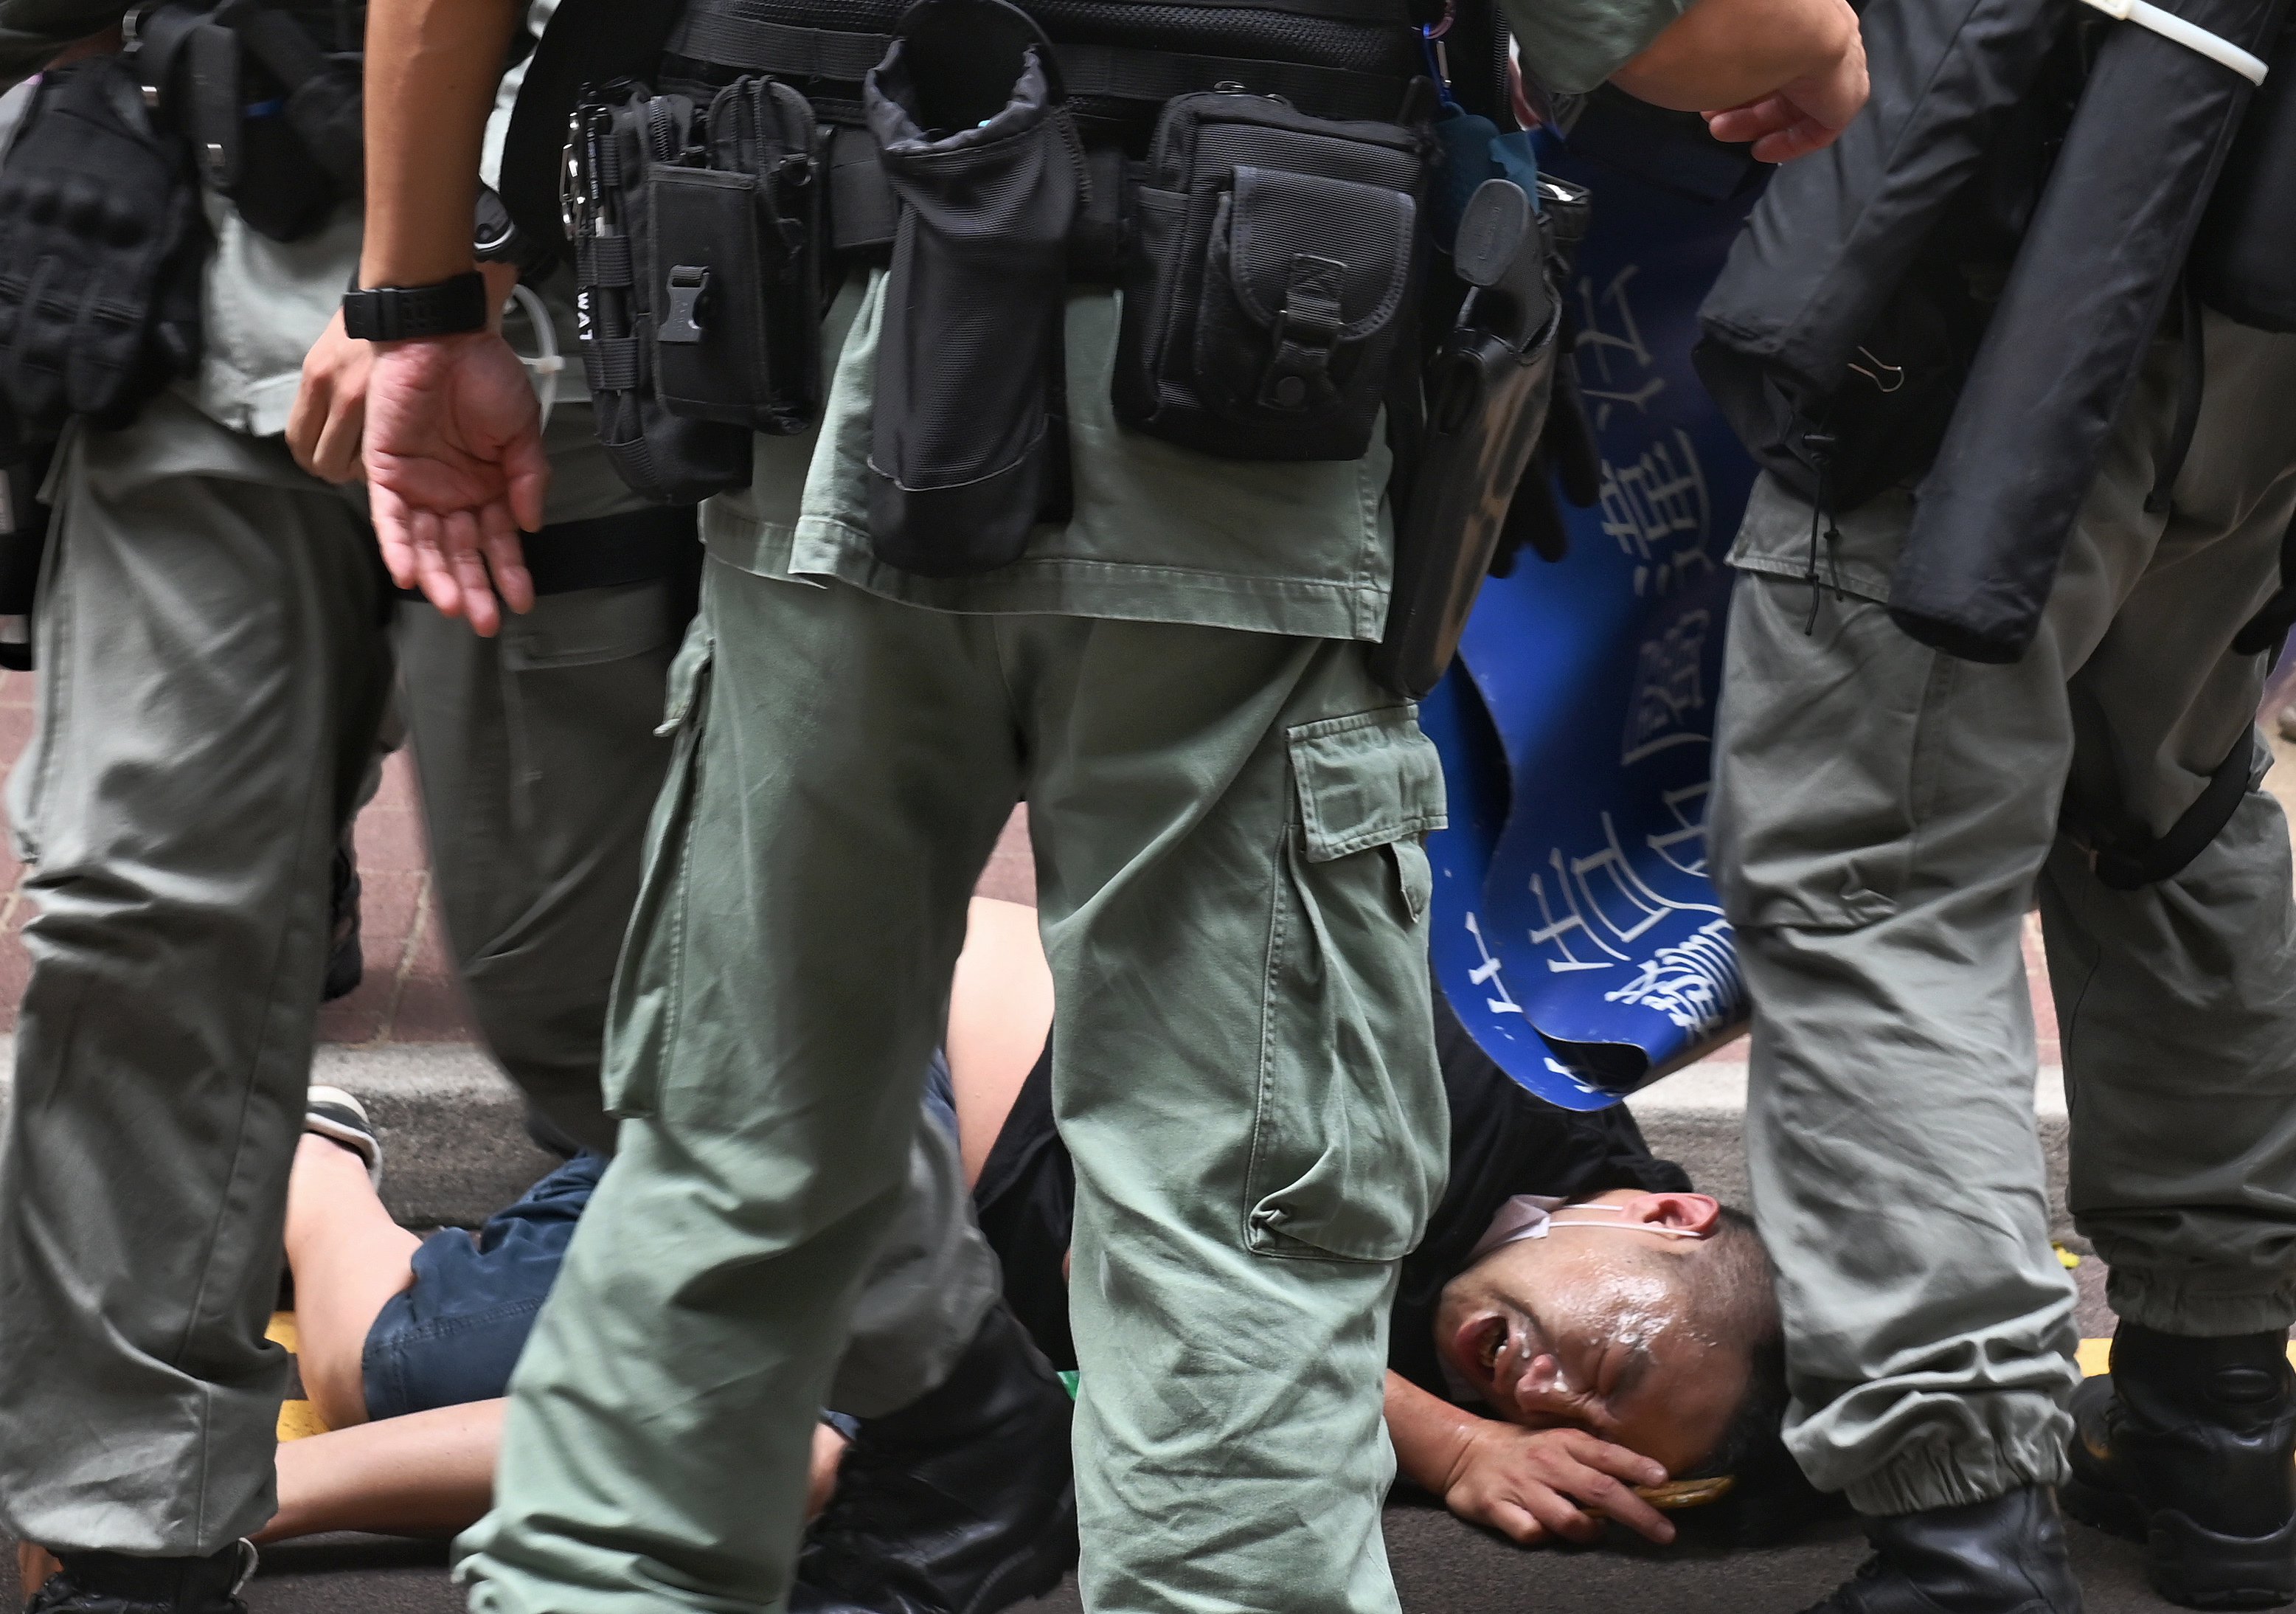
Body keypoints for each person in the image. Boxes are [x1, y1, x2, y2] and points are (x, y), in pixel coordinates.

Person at [351, 0, 1868, 1607]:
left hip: (822, 377)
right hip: (1239, 402)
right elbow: (1720, 36)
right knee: (1236, 1208)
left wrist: (423, 297)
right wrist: (1827, 56)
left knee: (740, 1158)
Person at [0, 14, 1053, 1614]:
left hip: (571, 287)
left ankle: (944, 1386)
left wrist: (439, 269)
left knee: (597, 990)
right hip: (205, 245)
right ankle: (129, 1536)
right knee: (137, 904)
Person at [168, 898, 1786, 1573]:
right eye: (1614, 1353)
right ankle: (314, 1171)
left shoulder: (1497, 1281)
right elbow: (1145, 1273)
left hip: (954, 1262)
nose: (1544, 1389)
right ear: (1663, 1207)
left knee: (809, 1452)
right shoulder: (1465, 1080)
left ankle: (233, 1493)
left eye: (1570, 1424)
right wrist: (1437, 1444)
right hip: (885, 1063)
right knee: (393, 1361)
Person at [1704, 72, 2296, 1614]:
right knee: (2168, 814)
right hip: (2262, 297)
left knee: (1873, 882)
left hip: (2025, 264)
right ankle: (2214, 1426)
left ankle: (1964, 1527)